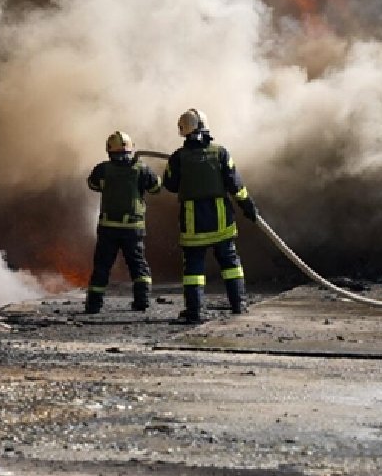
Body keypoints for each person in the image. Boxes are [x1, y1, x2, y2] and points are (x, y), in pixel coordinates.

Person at [163, 109, 258, 323]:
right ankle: (238, 305)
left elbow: (169, 185)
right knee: (230, 263)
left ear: (183, 130)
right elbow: (236, 185)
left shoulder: (178, 157)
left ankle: (194, 312)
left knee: (194, 267)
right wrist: (248, 207)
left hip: (193, 221)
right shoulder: (220, 153)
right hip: (220, 218)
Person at [84, 130, 162, 314]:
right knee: (137, 264)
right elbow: (156, 188)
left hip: (108, 227)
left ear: (109, 150)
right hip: (133, 227)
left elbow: (93, 184)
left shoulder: (103, 169)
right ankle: (141, 301)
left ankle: (94, 305)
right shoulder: (141, 169)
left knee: (102, 266)